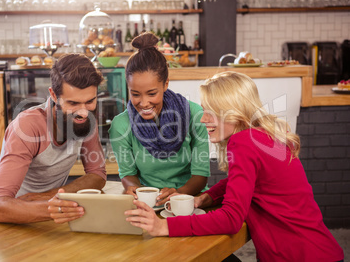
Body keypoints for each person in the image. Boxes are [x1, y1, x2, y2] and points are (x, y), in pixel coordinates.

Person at [125, 71, 344, 262]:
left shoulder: (244, 143)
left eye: (210, 111)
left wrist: (164, 227)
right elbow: (243, 181)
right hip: (318, 252)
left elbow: (231, 219)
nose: (202, 120)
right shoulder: (264, 136)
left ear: (232, 112)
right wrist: (205, 198)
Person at [0, 54, 107, 225]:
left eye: (90, 101)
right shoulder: (27, 126)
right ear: (54, 95)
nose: (83, 112)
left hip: (48, 219)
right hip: (7, 223)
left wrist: (49, 197)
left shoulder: (85, 119)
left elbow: (97, 174)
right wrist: (52, 204)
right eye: (73, 103)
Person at [109, 32, 210, 206]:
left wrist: (178, 194)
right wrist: (134, 188)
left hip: (190, 200)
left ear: (165, 84)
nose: (144, 103)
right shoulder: (120, 125)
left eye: (152, 93)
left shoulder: (194, 115)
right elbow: (128, 173)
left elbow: (200, 175)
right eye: (135, 94)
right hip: (149, 202)